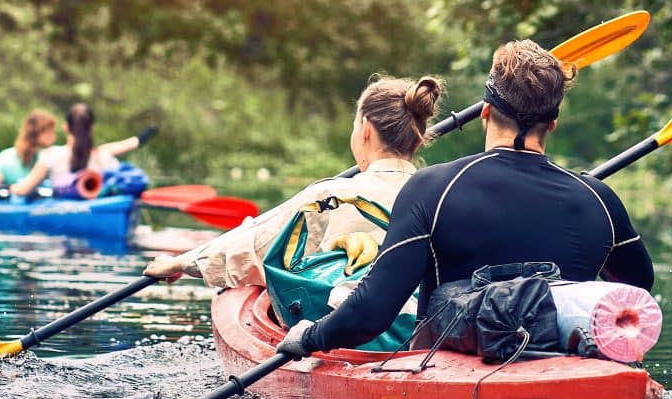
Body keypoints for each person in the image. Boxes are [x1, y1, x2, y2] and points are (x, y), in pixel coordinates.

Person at [275, 40, 654, 359]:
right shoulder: (599, 199)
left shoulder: (432, 189)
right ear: (552, 123)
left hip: (449, 369)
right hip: (566, 363)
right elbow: (638, 285)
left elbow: (371, 313)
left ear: (486, 113)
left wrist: (310, 337)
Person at [144, 75, 446, 288]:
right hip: (417, 333)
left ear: (365, 130)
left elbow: (256, 246)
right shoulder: (443, 197)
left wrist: (183, 263)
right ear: (417, 140)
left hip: (341, 330)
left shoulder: (332, 196)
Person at [28, 103, 154, 198]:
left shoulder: (50, 155)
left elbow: (24, 189)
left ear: (66, 128)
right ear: (92, 128)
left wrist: (12, 188)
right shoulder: (105, 156)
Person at [0, 109, 58, 197]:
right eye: (51, 131)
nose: (54, 136)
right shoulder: (7, 159)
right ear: (38, 132)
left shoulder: (46, 156)